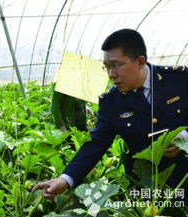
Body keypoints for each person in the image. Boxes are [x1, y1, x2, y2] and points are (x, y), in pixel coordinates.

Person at [32, 29, 188, 201]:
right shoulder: (110, 101)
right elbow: (96, 143)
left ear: (140, 61)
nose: (111, 75)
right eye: (107, 67)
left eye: (115, 66)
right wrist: (65, 179)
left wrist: (185, 136)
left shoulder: (179, 79)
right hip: (145, 185)